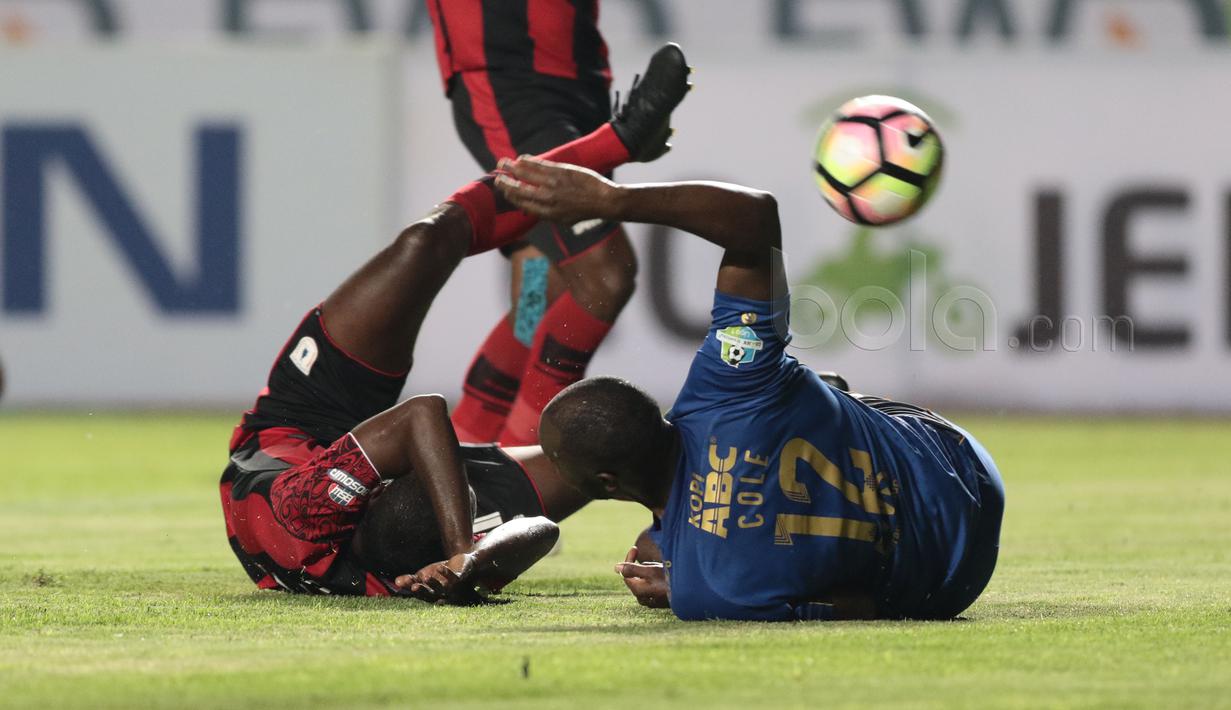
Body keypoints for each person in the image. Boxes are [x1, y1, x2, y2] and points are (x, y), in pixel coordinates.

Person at [218, 44, 692, 602]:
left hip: (309, 432)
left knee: (444, 253)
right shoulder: (430, 565)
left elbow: (424, 418)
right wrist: (473, 553)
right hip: (458, 467)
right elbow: (537, 527)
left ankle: (609, 151)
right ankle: (695, 513)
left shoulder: (314, 512)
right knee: (591, 310)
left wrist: (461, 545)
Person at [494, 155, 1006, 621]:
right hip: (960, 459)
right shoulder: (727, 381)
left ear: (606, 486)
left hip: (955, 577)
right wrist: (611, 200)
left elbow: (861, 606)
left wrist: (686, 584)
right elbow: (755, 217)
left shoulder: (711, 592)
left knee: (670, 547)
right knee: (797, 390)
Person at [427, 2, 647, 446]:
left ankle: (465, 451)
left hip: (579, 77)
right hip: (507, 72)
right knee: (603, 276)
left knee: (541, 295)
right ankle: (517, 473)